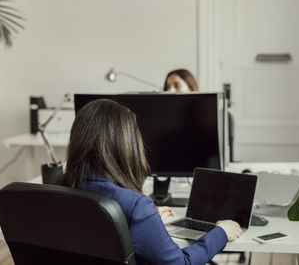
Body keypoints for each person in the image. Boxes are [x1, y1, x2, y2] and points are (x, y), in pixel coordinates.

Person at [59, 99, 243, 264]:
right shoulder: (137, 207)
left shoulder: (58, 189)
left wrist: (149, 221)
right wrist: (221, 233)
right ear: (126, 145)